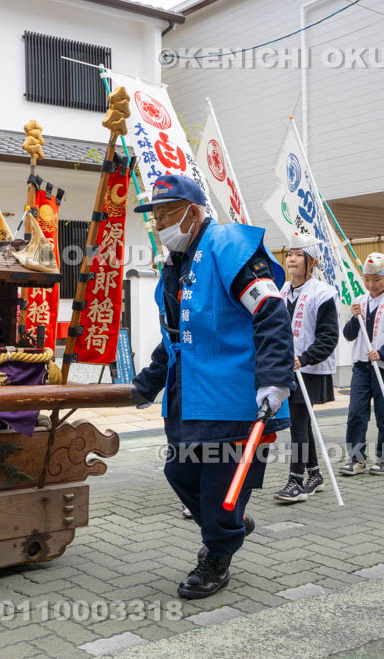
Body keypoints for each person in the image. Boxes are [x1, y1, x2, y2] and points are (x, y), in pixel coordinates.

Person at [130, 174, 294, 599]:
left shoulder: (229, 247)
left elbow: (271, 311)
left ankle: (217, 556)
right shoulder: (175, 266)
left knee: (220, 488)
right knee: (178, 471)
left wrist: (274, 379)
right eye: (156, 215)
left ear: (194, 211)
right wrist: (146, 385)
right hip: (188, 398)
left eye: (168, 212)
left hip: (234, 399)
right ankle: (231, 524)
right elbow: (176, 340)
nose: (160, 222)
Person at [273, 237, 338, 503]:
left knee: (298, 423)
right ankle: (313, 473)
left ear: (312, 261)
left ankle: (296, 481)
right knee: (301, 423)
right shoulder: (282, 290)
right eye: (289, 254)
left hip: (309, 369)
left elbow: (329, 336)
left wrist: (306, 358)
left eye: (298, 255)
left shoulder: (322, 293)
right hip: (288, 367)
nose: (291, 259)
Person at [340, 252, 384, 477]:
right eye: (367, 280)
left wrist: (382, 353)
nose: (371, 285)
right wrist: (354, 318)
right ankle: (356, 458)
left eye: (377, 280)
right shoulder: (360, 301)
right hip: (361, 365)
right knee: (356, 412)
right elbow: (349, 335)